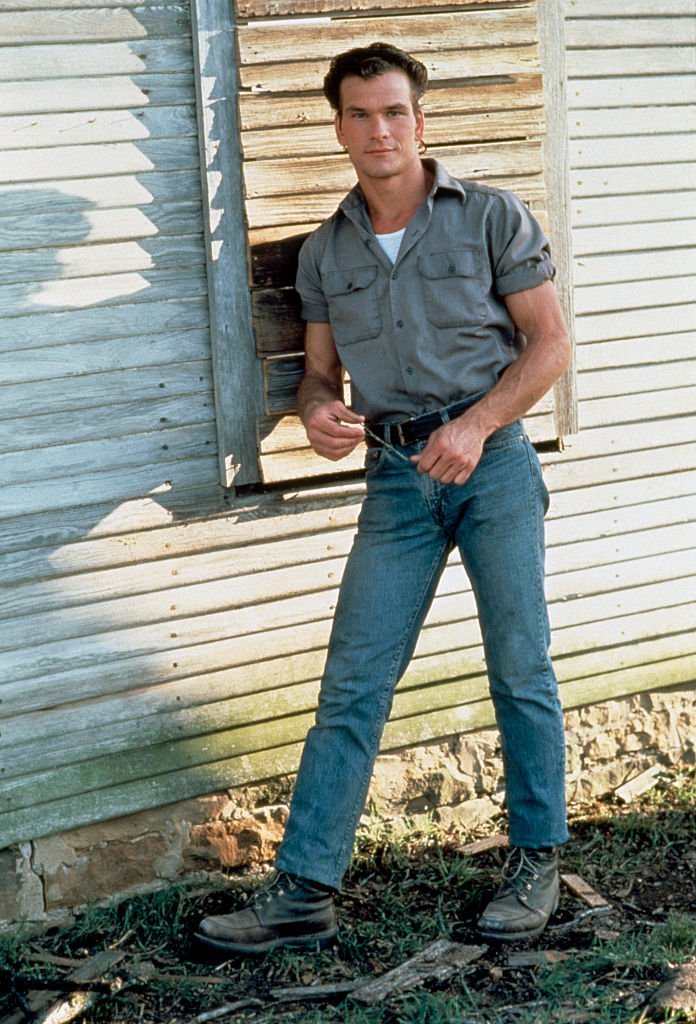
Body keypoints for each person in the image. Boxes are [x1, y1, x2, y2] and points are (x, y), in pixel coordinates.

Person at [195, 42, 571, 958]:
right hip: (397, 481)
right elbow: (320, 375)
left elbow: (552, 345)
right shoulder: (328, 251)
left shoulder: (489, 217)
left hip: (494, 468)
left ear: (420, 119)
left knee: (520, 669)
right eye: (360, 115)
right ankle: (303, 892)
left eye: (394, 111)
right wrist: (319, 409)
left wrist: (477, 426)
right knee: (352, 685)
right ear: (339, 129)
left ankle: (537, 863)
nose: (379, 130)